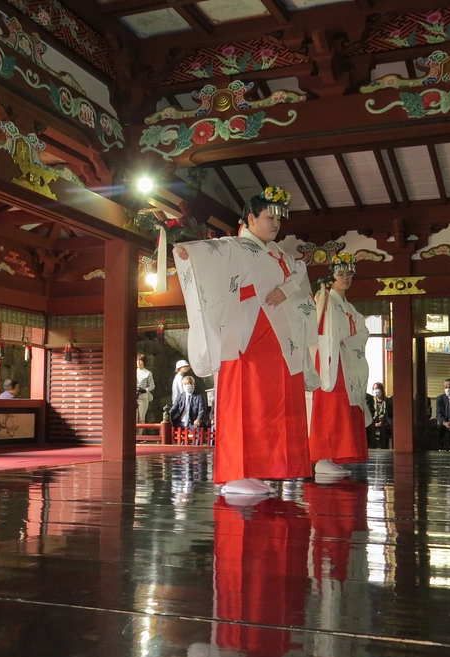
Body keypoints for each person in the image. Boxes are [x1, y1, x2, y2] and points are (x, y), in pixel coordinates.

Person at [174, 186, 319, 495]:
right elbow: (209, 253)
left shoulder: (278, 253)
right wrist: (189, 253)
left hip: (277, 334)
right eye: (269, 218)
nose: (276, 225)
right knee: (245, 400)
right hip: (246, 333)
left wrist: (289, 289)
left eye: (278, 219)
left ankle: (257, 469)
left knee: (270, 404)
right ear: (251, 219)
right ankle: (236, 473)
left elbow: (299, 276)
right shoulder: (237, 246)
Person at [309, 253, 370, 475]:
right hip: (329, 357)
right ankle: (321, 456)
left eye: (348, 274)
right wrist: (322, 297)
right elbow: (318, 324)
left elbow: (362, 330)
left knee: (343, 407)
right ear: (330, 278)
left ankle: (333, 454)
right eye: (340, 274)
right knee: (330, 406)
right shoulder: (325, 299)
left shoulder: (348, 306)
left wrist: (349, 341)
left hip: (345, 358)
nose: (346, 278)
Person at [367, 382, 393, 449]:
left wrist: (381, 422)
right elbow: (370, 412)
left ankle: (384, 445)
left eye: (378, 388)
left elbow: (388, 413)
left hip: (384, 421)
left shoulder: (388, 401)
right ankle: (372, 445)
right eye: (374, 389)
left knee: (384, 423)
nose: (376, 391)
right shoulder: (371, 402)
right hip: (373, 420)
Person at [136, 353, 155, 424]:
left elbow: (152, 385)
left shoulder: (148, 373)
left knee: (141, 418)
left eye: (140, 361)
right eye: (137, 361)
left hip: (143, 397)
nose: (138, 362)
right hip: (134, 397)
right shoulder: (133, 372)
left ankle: (140, 434)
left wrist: (145, 390)